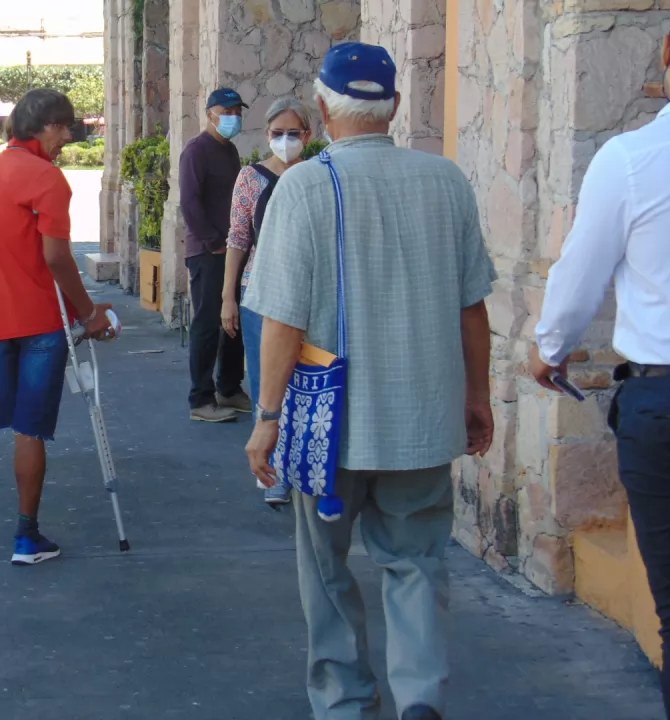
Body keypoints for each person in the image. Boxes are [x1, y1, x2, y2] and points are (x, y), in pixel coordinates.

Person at [243, 42, 495, 720]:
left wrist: (266, 417)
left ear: (323, 110)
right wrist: (476, 398)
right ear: (396, 107)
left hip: (329, 431)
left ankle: (347, 702)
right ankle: (419, 700)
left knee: (325, 573)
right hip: (422, 418)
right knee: (416, 563)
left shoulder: (301, 187)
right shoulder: (446, 181)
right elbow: (473, 308)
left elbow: (281, 323)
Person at [529, 5, 670, 716]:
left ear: (666, 52)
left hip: (668, 407)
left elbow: (578, 277)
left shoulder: (632, 159)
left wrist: (549, 349)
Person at [0, 88, 113, 566]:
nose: (68, 137)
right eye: (65, 127)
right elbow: (55, 256)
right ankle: (26, 537)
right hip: (40, 324)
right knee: (30, 430)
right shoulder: (48, 179)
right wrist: (89, 312)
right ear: (46, 126)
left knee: (17, 429)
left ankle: (27, 534)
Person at [221, 96, 315, 508]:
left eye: (293, 134)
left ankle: (309, 467)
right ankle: (273, 471)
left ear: (308, 135)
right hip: (260, 291)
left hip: (312, 292)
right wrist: (228, 296)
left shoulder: (318, 176)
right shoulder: (251, 179)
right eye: (278, 134)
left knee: (310, 381)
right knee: (265, 382)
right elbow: (238, 238)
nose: (286, 141)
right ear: (266, 136)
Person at [181, 87, 250, 423]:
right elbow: (190, 202)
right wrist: (212, 242)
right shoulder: (196, 151)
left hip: (233, 249)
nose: (234, 117)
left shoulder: (230, 150)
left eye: (238, 111)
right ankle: (201, 398)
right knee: (208, 323)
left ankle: (229, 387)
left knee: (233, 320)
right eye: (227, 111)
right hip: (208, 252)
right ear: (210, 113)